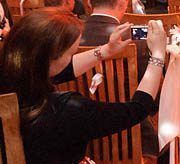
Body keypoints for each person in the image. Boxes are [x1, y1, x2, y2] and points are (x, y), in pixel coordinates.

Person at [0, 11, 166, 164]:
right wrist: (158, 55)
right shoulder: (67, 109)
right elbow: (137, 109)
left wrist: (106, 50)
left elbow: (63, 69)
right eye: (71, 53)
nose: (72, 57)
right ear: (51, 59)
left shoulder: (13, 76)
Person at [79, 0, 157, 157]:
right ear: (124, 1)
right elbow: (152, 96)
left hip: (80, 138)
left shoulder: (68, 35)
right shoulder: (137, 37)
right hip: (132, 136)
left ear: (89, 3)